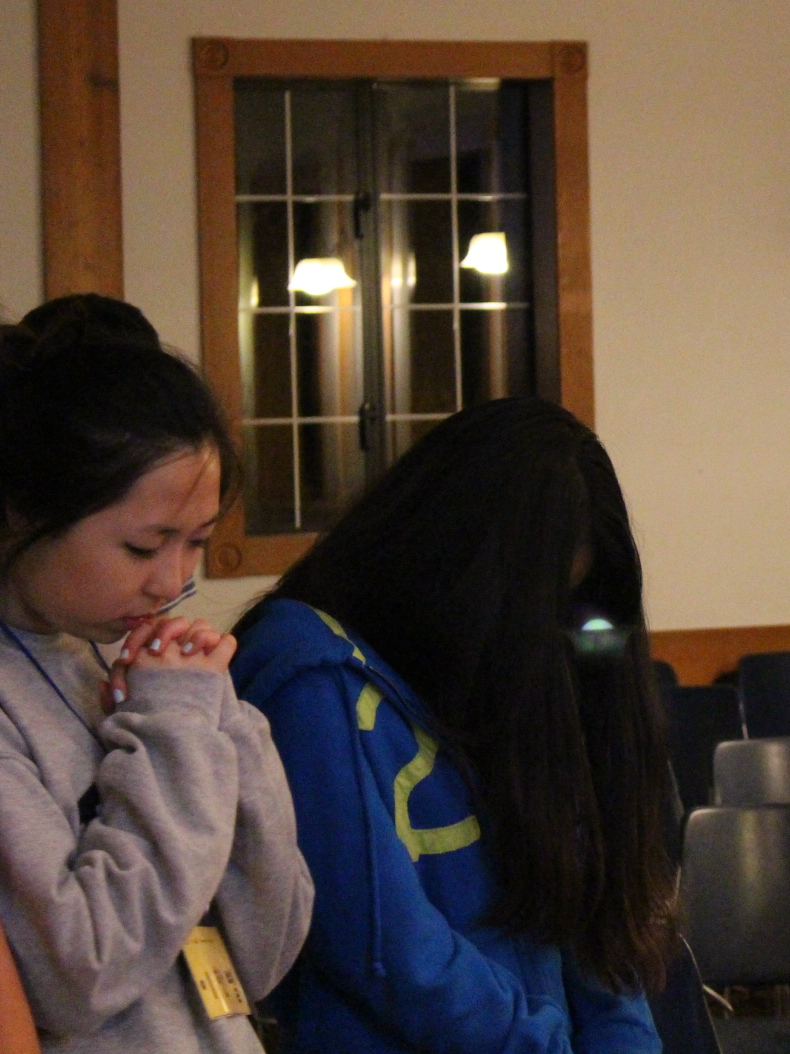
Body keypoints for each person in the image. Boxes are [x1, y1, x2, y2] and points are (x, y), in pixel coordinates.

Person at [231, 397, 676, 1054]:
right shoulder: (311, 675)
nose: (539, 640)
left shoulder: (516, 668)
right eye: (529, 610)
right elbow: (390, 954)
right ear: (455, 564)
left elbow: (597, 935)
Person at [0, 294, 313, 1052]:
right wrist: (176, 726)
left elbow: (267, 950)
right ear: (23, 511)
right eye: (144, 547)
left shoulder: (116, 657)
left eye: (197, 542)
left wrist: (221, 722)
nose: (172, 583)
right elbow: (82, 977)